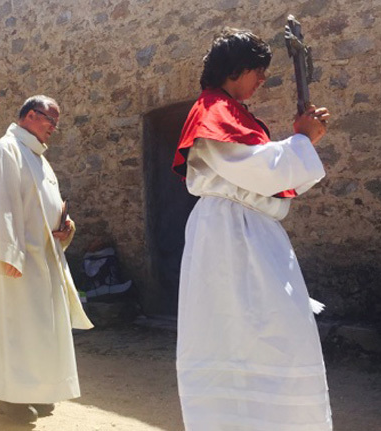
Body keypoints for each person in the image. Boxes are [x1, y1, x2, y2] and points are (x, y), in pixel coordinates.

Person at [172, 28, 332, 430]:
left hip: (250, 233)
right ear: (236, 68)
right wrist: (301, 140)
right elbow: (257, 170)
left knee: (268, 333)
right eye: (258, 71)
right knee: (241, 332)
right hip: (229, 239)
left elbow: (262, 171)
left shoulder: (232, 110)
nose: (262, 80)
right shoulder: (212, 109)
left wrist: (301, 142)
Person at [0, 95, 93, 423]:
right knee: (11, 329)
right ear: (31, 115)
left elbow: (45, 204)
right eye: (51, 121)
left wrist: (65, 227)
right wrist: (6, 254)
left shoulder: (39, 159)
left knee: (39, 330)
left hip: (41, 257)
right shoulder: (5, 150)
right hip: (14, 261)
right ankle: (7, 394)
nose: (53, 130)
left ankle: (36, 389)